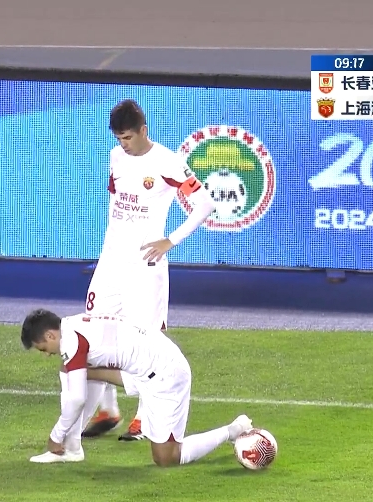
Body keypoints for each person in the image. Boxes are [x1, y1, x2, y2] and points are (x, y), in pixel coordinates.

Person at [81, 99, 217, 441]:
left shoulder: (168, 162)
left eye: (128, 137)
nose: (123, 144)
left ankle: (143, 417)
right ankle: (108, 409)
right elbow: (116, 202)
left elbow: (205, 204)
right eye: (118, 138)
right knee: (95, 334)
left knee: (144, 341)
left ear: (143, 130)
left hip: (145, 267)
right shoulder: (116, 157)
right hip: (111, 263)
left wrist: (170, 240)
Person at [20, 309, 252, 466]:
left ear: (50, 335)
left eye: (43, 348)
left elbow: (78, 398)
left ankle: (233, 430)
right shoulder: (74, 324)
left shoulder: (72, 341)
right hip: (147, 367)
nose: (46, 354)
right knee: (69, 371)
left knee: (166, 457)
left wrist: (56, 435)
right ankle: (72, 449)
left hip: (165, 374)